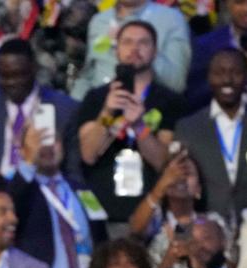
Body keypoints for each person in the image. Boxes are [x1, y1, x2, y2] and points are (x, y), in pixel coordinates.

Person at [75, 21, 186, 228]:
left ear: (155, 50)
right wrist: (108, 113)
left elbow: (164, 162)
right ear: (116, 50)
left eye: (143, 43)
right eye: (127, 42)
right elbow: (88, 154)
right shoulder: (96, 98)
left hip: (150, 213)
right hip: (101, 212)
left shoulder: (171, 101)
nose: (135, 49)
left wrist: (139, 127)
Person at [7, 122, 103, 268]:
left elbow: (100, 235)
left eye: (54, 140)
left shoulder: (80, 189)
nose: (48, 146)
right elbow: (10, 206)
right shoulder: (20, 187)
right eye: (40, 140)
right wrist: (28, 163)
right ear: (23, 148)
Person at [175, 49, 247, 224]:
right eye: (219, 73)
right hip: (207, 226)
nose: (227, 80)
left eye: (235, 72)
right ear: (209, 77)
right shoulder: (188, 127)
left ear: (246, 76)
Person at [0, 39, 81, 184]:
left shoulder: (64, 109)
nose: (11, 82)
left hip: (40, 195)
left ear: (33, 68)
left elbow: (74, 174)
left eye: (19, 75)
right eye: (4, 76)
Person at [71, 0, 190, 99]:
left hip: (146, 110)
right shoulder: (99, 21)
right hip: (97, 107)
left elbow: (176, 84)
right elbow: (88, 74)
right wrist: (76, 106)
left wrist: (141, 47)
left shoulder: (171, 19)